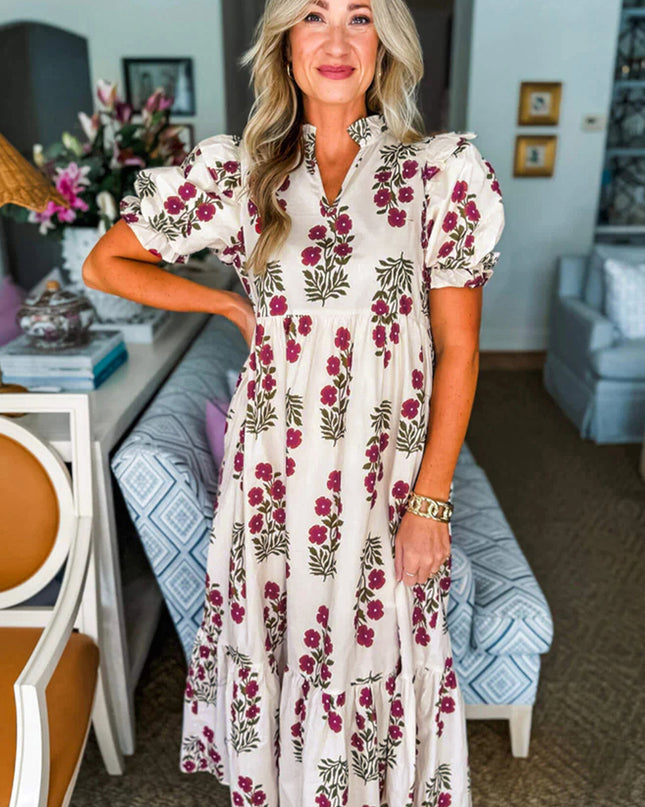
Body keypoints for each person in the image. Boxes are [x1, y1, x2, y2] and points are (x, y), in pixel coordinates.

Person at [83, 0, 505, 803]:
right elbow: (105, 264)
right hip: (275, 475)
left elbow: (459, 349)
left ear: (385, 43)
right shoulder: (239, 174)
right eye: (313, 14)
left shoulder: (440, 172)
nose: (337, 39)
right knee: (283, 645)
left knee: (375, 648)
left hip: (386, 477)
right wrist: (227, 304)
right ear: (285, 45)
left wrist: (431, 501)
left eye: (359, 16)